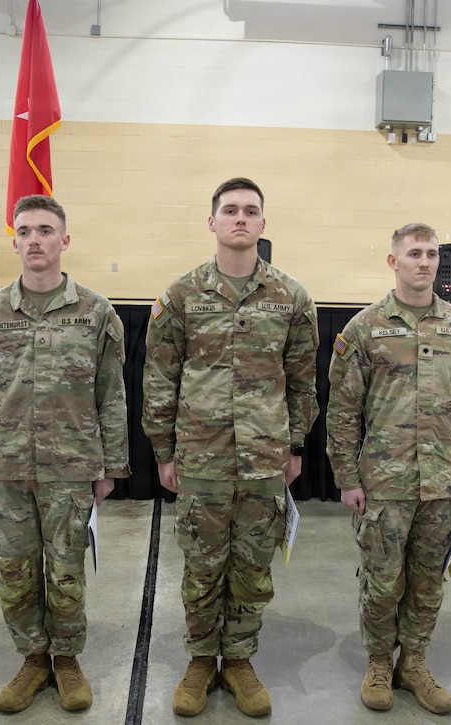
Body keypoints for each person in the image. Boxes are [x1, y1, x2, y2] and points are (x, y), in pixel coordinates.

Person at [143, 177, 319, 718]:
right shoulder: (180, 295)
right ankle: (201, 660)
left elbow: (304, 379)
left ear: (263, 224)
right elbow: (160, 378)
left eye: (250, 211)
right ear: (212, 221)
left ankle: (239, 659)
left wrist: (294, 445)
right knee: (201, 564)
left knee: (251, 566)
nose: (240, 218)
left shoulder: (292, 297)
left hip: (266, 457)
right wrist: (163, 451)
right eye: (230, 210)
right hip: (201, 457)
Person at [0, 194, 130, 714]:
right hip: (5, 467)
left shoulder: (97, 313)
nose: (35, 240)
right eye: (26, 230)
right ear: (14, 241)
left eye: (46, 230)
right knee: (15, 570)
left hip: (72, 469)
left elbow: (111, 393)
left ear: (64, 240)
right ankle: (33, 658)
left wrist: (111, 467)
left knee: (66, 570)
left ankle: (67, 659)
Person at [326, 222, 451, 715]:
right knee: (381, 579)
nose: (425, 262)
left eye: (432, 254)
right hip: (384, 484)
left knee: (428, 580)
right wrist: (347, 479)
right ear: (393, 261)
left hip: (441, 483)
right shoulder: (364, 328)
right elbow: (342, 411)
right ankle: (379, 663)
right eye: (414, 253)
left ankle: (413, 663)